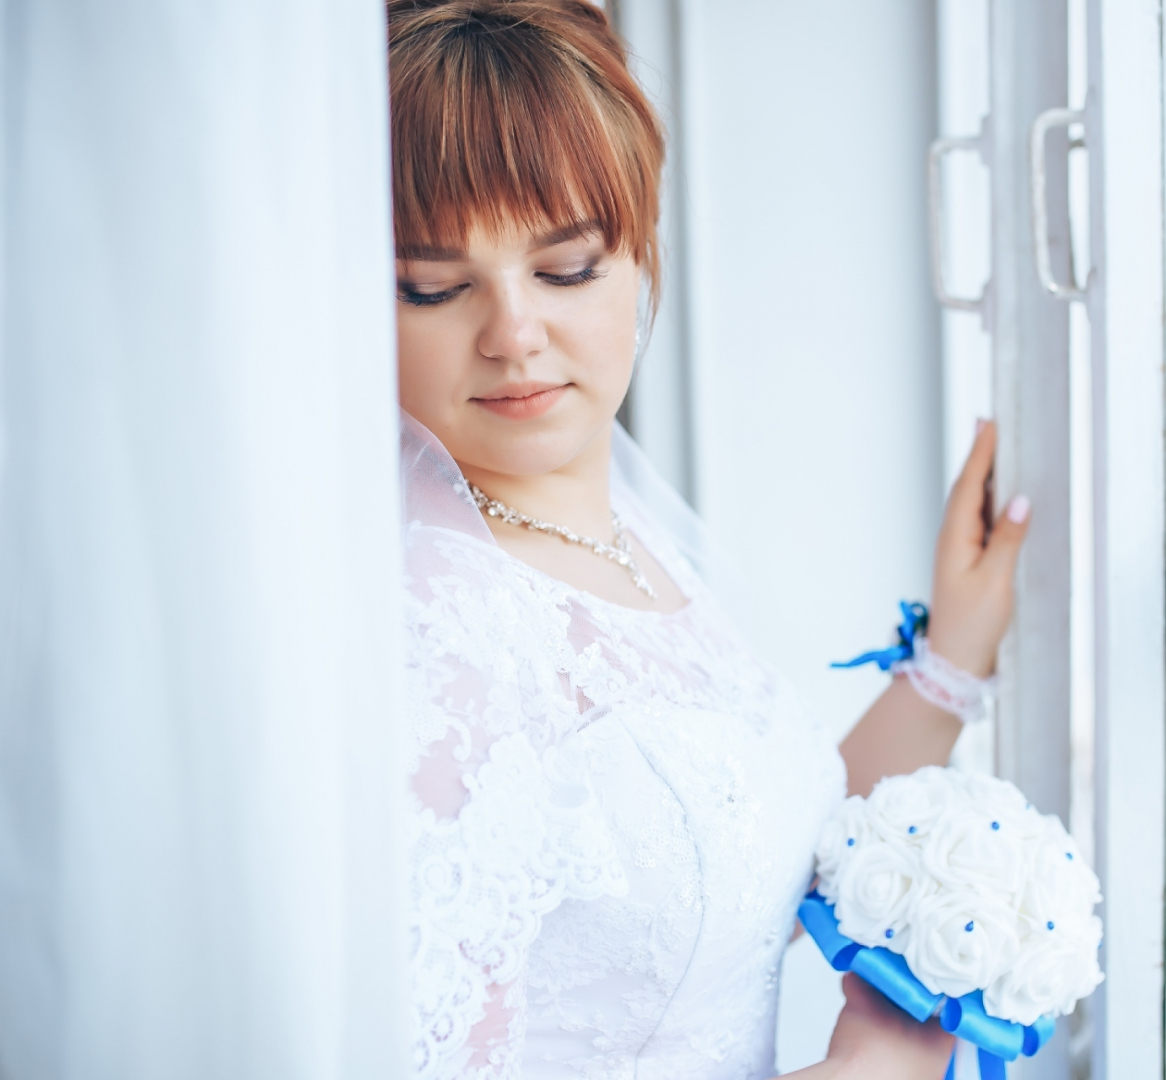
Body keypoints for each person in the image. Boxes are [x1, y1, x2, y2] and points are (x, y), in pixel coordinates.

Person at [391, 3, 1031, 1077]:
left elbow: (732, 880)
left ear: (640, 253)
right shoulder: (425, 634)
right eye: (435, 287)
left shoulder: (621, 529)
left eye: (565, 268)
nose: (511, 334)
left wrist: (949, 662)